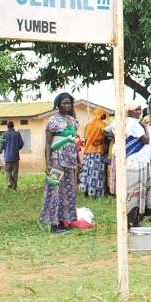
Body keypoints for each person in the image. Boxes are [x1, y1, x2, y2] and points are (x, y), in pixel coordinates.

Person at [39, 93, 79, 234]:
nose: (67, 106)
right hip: (56, 160)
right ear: (58, 104)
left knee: (68, 192)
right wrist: (48, 163)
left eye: (69, 103)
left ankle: (64, 221)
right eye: (64, 103)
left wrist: (79, 161)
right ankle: (54, 224)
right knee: (54, 190)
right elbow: (48, 143)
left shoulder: (72, 121)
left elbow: (74, 142)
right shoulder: (53, 121)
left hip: (71, 162)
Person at [111, 102, 151, 228]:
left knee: (130, 191)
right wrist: (145, 127)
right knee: (135, 192)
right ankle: (132, 221)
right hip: (137, 162)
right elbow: (146, 140)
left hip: (131, 161)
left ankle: (130, 220)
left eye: (140, 109)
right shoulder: (134, 123)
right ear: (129, 110)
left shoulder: (120, 122)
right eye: (136, 110)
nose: (139, 112)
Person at [80, 108, 108, 197]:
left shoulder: (89, 124)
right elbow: (105, 135)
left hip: (88, 151)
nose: (105, 115)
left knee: (87, 171)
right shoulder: (102, 124)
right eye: (104, 114)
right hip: (97, 151)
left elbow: (86, 137)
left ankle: (85, 191)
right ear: (101, 114)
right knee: (96, 172)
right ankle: (96, 193)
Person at [0, 120, 24, 190]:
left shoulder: (4, 134)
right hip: (15, 156)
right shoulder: (17, 134)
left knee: (8, 170)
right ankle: (14, 187)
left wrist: (6, 147)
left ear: (7, 126)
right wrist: (16, 148)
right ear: (13, 126)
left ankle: (9, 182)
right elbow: (21, 144)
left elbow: (1, 146)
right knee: (15, 172)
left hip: (7, 156)